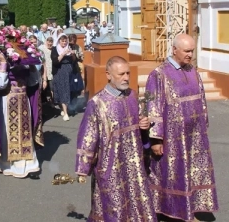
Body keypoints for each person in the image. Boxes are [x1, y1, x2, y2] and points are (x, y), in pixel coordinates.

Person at [145, 33, 218, 221]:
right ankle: (171, 211)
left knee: (193, 174)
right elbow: (153, 107)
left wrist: (204, 126)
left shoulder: (192, 70)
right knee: (173, 175)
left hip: (195, 136)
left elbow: (201, 99)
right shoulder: (159, 74)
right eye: (186, 51)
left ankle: (190, 209)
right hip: (172, 138)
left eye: (192, 51)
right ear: (174, 49)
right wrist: (156, 139)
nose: (190, 55)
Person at [76, 56, 157, 221]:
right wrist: (83, 168)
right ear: (108, 74)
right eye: (121, 74)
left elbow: (141, 125)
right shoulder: (97, 103)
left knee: (137, 204)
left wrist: (145, 125)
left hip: (134, 164)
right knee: (114, 207)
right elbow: (88, 137)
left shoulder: (133, 96)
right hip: (110, 166)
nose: (126, 77)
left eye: (127, 73)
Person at [0, 42, 44, 178]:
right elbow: (0, 85)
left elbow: (33, 83)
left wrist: (31, 67)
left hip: (23, 101)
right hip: (8, 100)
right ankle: (9, 165)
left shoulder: (24, 63)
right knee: (9, 133)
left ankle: (30, 166)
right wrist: (3, 64)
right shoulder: (2, 62)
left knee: (26, 131)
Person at [51, 34, 75, 121]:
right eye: (62, 41)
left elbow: (73, 60)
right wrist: (63, 54)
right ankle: (65, 112)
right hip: (60, 71)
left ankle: (63, 108)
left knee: (67, 90)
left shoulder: (69, 47)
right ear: (59, 41)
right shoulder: (55, 49)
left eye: (65, 41)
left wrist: (72, 54)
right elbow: (56, 62)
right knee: (62, 90)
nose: (64, 43)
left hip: (68, 71)